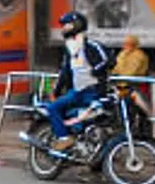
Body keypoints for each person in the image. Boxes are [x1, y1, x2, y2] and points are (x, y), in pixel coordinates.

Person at [47, 11, 111, 150]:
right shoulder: (69, 49)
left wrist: (96, 70)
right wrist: (56, 91)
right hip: (76, 92)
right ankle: (64, 138)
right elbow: (64, 72)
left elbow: (109, 59)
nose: (63, 28)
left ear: (77, 25)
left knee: (96, 118)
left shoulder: (92, 45)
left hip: (93, 91)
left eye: (67, 25)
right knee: (53, 107)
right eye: (63, 25)